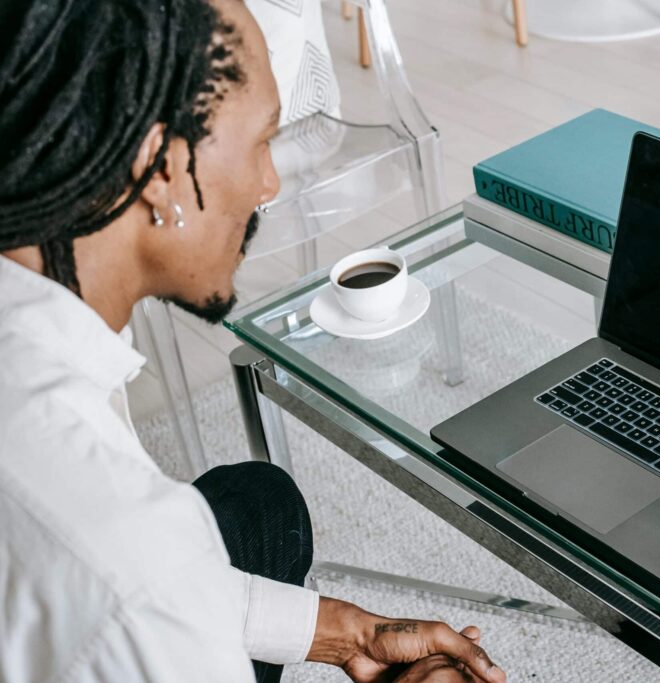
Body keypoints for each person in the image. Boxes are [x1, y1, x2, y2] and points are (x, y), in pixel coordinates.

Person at [0, 1, 506, 682]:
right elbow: (148, 592)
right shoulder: (131, 571)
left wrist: (351, 633)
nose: (269, 185)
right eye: (264, 141)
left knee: (261, 503)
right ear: (162, 171)